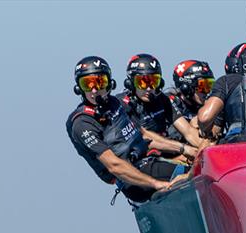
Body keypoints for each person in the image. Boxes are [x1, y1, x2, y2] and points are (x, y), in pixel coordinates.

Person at [66, 56, 179, 203]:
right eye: (87, 84)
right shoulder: (82, 123)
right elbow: (114, 165)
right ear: (78, 88)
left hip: (148, 160)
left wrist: (185, 149)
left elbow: (144, 136)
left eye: (100, 82)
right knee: (187, 173)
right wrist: (155, 183)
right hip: (134, 180)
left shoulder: (114, 103)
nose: (94, 90)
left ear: (109, 83)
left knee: (195, 165)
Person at [117, 54, 197, 160]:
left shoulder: (162, 99)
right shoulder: (121, 104)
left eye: (153, 82)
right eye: (142, 82)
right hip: (140, 159)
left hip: (166, 153)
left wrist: (207, 148)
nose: (149, 88)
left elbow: (188, 131)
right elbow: (144, 135)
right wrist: (183, 149)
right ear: (130, 83)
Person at [164, 59, 219, 146]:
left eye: (210, 86)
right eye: (203, 86)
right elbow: (162, 137)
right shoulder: (168, 102)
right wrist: (190, 125)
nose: (207, 92)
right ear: (187, 88)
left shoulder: (206, 106)